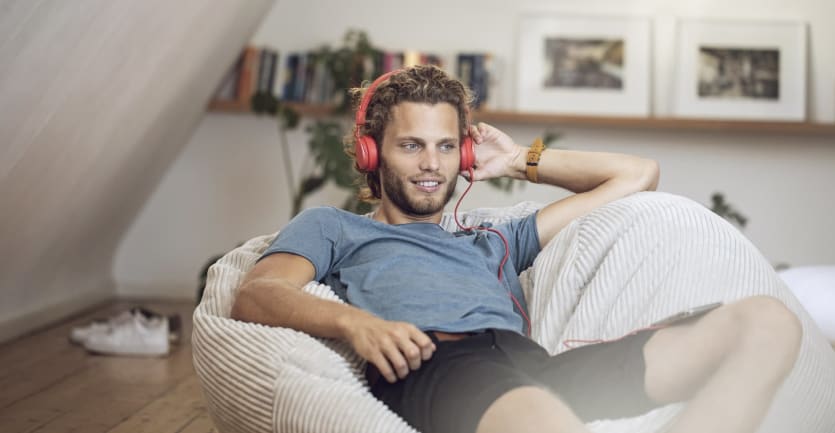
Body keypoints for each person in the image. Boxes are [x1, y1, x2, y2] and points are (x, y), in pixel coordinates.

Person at [231, 65, 802, 433]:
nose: (432, 164)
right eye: (411, 146)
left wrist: (520, 163)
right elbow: (258, 293)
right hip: (439, 366)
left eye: (447, 146)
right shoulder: (335, 226)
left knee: (767, 323)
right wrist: (355, 324)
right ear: (372, 154)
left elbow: (639, 174)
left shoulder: (496, 240)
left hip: (535, 367)